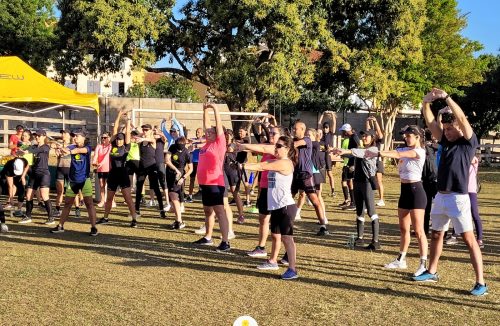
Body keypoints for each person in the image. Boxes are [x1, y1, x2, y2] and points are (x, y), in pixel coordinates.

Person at [416, 87, 487, 296]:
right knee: (437, 234)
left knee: (468, 240)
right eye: (445, 129)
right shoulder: (446, 141)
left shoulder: (468, 143)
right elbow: (430, 123)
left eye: (449, 128)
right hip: (441, 197)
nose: (446, 132)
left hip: (459, 198)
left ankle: (481, 283)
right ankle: (432, 271)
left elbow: (463, 120)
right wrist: (426, 102)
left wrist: (447, 97)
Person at [367, 126, 428, 274]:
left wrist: (378, 152)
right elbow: (396, 152)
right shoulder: (403, 149)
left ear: (418, 137)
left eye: (409, 136)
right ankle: (401, 259)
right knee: (403, 229)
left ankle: (423, 264)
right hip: (404, 191)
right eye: (405, 136)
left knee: (419, 230)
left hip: (416, 191)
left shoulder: (419, 151)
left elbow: (396, 154)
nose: (406, 138)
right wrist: (346, 152)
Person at [246, 136, 299, 280]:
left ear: (287, 149)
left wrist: (243, 166)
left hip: (286, 206)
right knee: (275, 236)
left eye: (279, 146)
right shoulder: (275, 161)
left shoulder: (285, 163)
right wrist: (241, 163)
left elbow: (262, 166)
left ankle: (292, 269)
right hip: (276, 206)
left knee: (287, 239)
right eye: (276, 145)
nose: (276, 148)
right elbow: (262, 163)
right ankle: (273, 261)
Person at [237, 126, 282, 258]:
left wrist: (244, 146)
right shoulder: (268, 147)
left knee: (278, 225)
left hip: (276, 191)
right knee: (263, 219)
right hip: (265, 188)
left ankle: (284, 254)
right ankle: (261, 247)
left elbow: (262, 148)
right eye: (270, 133)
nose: (271, 135)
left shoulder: (279, 150)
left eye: (274, 133)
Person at [193, 103, 231, 252]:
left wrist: (215, 109)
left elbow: (218, 125)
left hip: (216, 183)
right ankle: (208, 237)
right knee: (208, 211)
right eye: (206, 132)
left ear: (217, 134)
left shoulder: (219, 144)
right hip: (205, 184)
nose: (207, 133)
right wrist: (205, 111)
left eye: (210, 132)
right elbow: (207, 124)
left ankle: (225, 241)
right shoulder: (205, 146)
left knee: (220, 211)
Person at [335, 129, 380, 250]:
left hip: (367, 183)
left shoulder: (373, 149)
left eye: (366, 136)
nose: (364, 138)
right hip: (357, 182)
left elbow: (362, 153)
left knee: (371, 212)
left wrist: (346, 150)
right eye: (363, 136)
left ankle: (375, 241)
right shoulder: (360, 149)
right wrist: (339, 152)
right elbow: (354, 154)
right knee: (359, 212)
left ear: (372, 138)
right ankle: (360, 238)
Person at [50, 129, 98, 236]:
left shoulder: (88, 147)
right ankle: (60, 226)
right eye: (74, 136)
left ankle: (94, 227)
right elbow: (66, 149)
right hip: (72, 181)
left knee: (89, 204)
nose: (74, 137)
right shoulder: (71, 146)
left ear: (83, 137)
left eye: (77, 136)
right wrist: (59, 150)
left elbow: (80, 151)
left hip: (85, 180)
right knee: (67, 204)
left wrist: (69, 152)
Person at [97, 110, 138, 227]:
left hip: (123, 174)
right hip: (113, 174)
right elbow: (114, 130)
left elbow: (128, 133)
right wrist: (119, 115)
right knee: (109, 198)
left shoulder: (126, 147)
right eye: (118, 139)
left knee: (128, 198)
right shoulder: (113, 145)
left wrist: (128, 119)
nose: (119, 140)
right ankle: (105, 217)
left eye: (121, 139)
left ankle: (134, 219)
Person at [292, 121, 329, 236]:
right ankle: (286, 222)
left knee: (314, 200)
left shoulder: (307, 140)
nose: (294, 130)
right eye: (293, 129)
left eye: (296, 129)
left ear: (302, 129)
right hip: (294, 174)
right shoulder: (292, 141)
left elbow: (295, 145)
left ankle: (323, 225)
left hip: (306, 175)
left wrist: (284, 144)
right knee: (288, 198)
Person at [17, 129, 54, 225]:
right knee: (28, 195)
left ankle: (51, 218)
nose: (37, 137)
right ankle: (28, 216)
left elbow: (36, 150)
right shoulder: (33, 146)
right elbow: (27, 150)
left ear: (44, 136)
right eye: (36, 136)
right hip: (34, 174)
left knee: (44, 196)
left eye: (39, 135)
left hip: (44, 174)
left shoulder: (46, 147)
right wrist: (20, 153)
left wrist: (26, 151)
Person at [134, 124, 166, 218]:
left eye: (147, 130)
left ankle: (161, 210)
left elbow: (151, 140)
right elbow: (133, 137)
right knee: (139, 188)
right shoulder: (141, 140)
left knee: (156, 188)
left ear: (151, 131)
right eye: (143, 129)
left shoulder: (153, 141)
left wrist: (143, 138)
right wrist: (140, 135)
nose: (145, 131)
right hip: (142, 167)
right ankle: (137, 209)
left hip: (152, 167)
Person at [166, 137, 193, 229]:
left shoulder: (186, 153)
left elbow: (191, 169)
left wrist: (183, 177)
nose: (178, 148)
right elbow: (167, 160)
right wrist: (175, 169)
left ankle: (179, 221)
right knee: (172, 197)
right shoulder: (172, 147)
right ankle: (177, 219)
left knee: (174, 197)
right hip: (170, 174)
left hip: (178, 177)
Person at [224, 129, 245, 224]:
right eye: (226, 136)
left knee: (234, 192)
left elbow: (231, 149)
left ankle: (241, 215)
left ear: (232, 136)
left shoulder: (234, 144)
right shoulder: (222, 145)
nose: (227, 138)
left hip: (233, 171)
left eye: (229, 136)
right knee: (222, 193)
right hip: (223, 170)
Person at [339, 123, 360, 210]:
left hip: (353, 163)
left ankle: (354, 203)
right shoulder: (351, 137)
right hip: (350, 162)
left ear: (347, 131)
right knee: (349, 182)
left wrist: (353, 163)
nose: (343, 133)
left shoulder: (354, 137)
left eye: (343, 131)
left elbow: (356, 151)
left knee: (352, 182)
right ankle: (352, 202)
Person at [365, 116, 386, 206]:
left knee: (379, 181)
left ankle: (381, 199)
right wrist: (367, 121)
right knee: (370, 180)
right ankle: (370, 198)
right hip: (370, 162)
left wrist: (375, 121)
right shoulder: (369, 141)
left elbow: (380, 133)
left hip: (378, 162)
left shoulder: (378, 141)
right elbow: (367, 130)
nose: (377, 133)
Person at [318, 111, 337, 196]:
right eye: (324, 127)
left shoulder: (331, 133)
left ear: (329, 128)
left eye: (326, 127)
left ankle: (333, 190)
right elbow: (319, 123)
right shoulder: (321, 134)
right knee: (321, 174)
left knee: (329, 173)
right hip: (321, 155)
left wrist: (332, 115)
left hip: (327, 155)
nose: (325, 128)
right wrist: (322, 114)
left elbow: (334, 123)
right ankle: (319, 192)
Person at [93, 132, 113, 208]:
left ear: (109, 138)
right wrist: (94, 162)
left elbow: (107, 156)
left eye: (105, 137)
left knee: (110, 186)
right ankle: (102, 200)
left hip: (108, 168)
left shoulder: (110, 146)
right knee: (101, 185)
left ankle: (111, 200)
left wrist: (100, 163)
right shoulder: (99, 146)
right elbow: (95, 155)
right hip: (100, 169)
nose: (103, 139)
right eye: (102, 138)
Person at [186, 128, 205, 202]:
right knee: (192, 179)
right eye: (196, 132)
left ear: (202, 133)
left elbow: (203, 144)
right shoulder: (192, 140)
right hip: (193, 162)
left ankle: (202, 194)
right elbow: (189, 146)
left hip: (201, 162)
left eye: (199, 132)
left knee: (202, 179)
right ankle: (190, 196)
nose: (197, 133)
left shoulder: (204, 140)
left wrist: (196, 145)